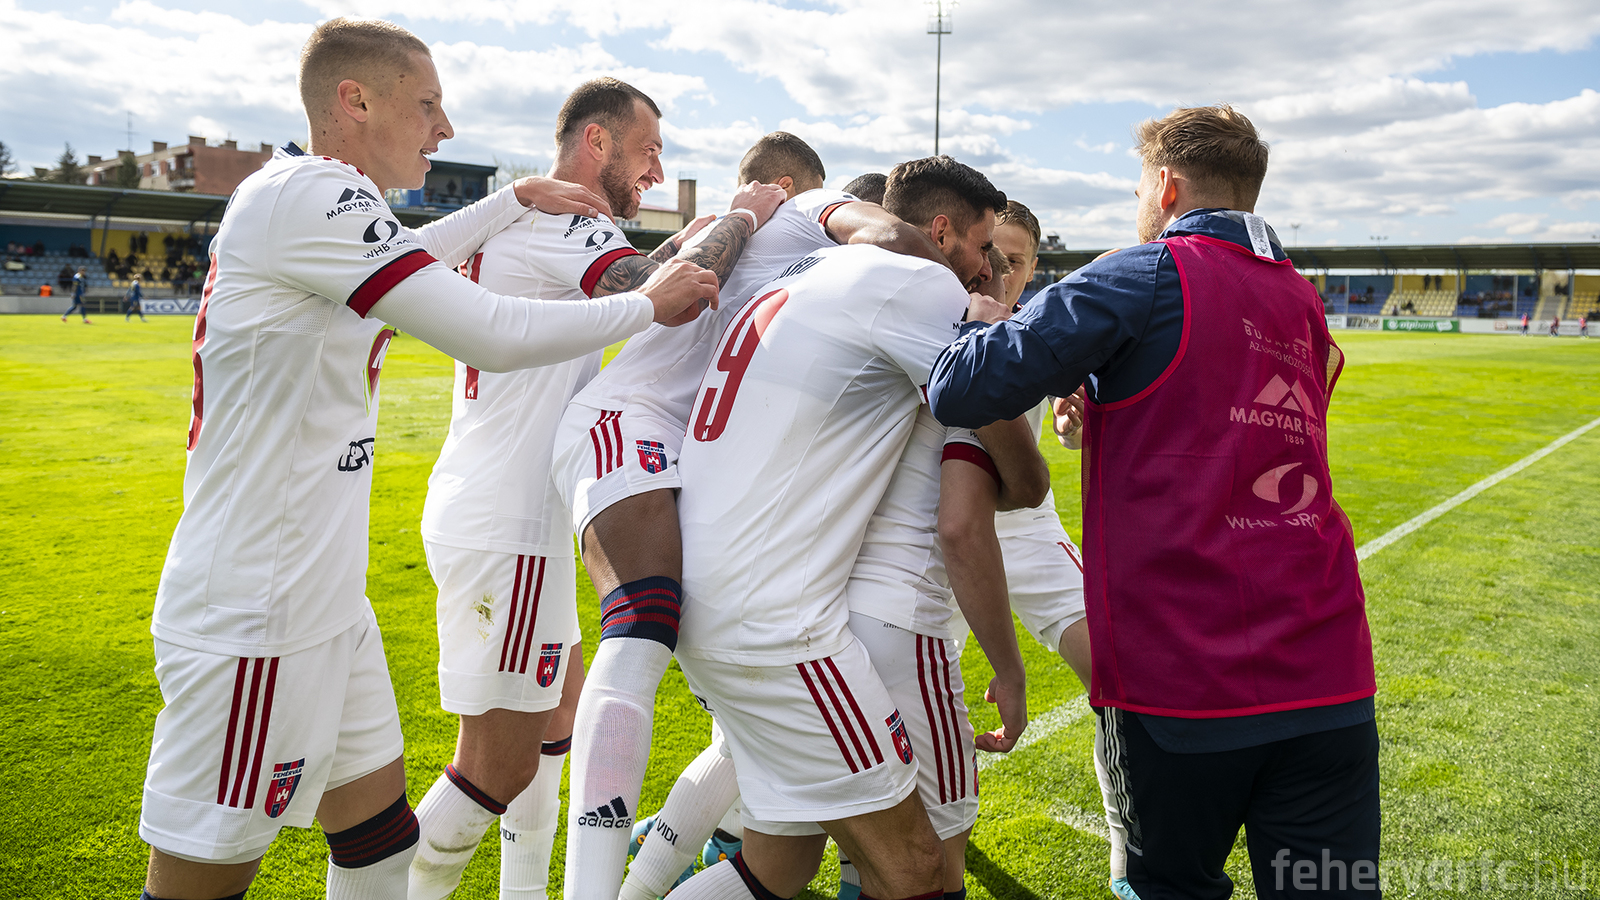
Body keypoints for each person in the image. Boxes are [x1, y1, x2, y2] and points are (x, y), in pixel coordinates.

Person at [135, 18, 717, 900]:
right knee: (204, 878)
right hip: (259, 609)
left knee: (378, 842)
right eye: (427, 104)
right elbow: (485, 328)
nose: (443, 128)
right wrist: (648, 306)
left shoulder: (322, 201)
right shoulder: (308, 194)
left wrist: (512, 197)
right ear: (355, 101)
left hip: (327, 598)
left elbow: (418, 255)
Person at [928, 105, 1379, 900]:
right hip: (1329, 673)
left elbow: (962, 387)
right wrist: (1105, 406)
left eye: (1141, 185)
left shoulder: (1141, 272)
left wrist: (978, 320)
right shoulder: (1300, 299)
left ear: (1166, 186)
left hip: (1183, 679)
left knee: (1169, 887)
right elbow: (1220, 421)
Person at [406, 77, 785, 900]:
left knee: (559, 723)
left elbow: (642, 270)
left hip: (503, 505)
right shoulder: (567, 219)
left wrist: (695, 233)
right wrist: (744, 216)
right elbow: (660, 294)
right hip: (508, 517)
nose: (657, 171)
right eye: (648, 150)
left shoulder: (536, 219)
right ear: (598, 141)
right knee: (495, 764)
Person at [549, 134, 948, 900]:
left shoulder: (816, 279)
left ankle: (642, 883)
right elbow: (645, 284)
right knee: (642, 623)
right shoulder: (791, 218)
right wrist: (742, 214)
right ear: (795, 187)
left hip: (689, 462)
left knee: (775, 833)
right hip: (629, 420)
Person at [663, 156, 1004, 900]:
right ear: (940, 233)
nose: (987, 267)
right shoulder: (917, 283)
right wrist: (990, 326)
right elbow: (1009, 451)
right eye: (983, 247)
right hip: (778, 627)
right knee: (916, 868)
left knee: (776, 867)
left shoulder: (800, 272)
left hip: (708, 598)